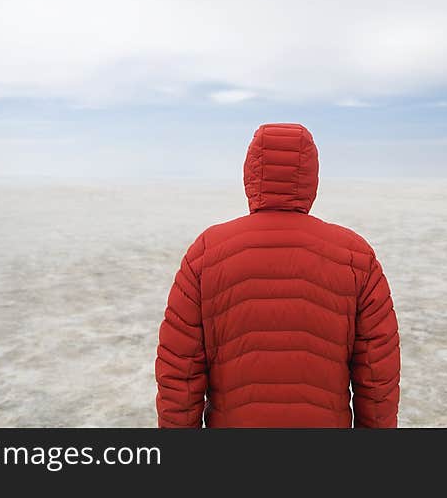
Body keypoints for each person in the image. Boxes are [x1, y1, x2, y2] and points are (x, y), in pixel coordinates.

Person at [155, 123, 400, 427]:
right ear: (311, 177)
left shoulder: (206, 253)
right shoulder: (355, 256)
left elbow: (180, 372)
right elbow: (378, 377)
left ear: (250, 174)